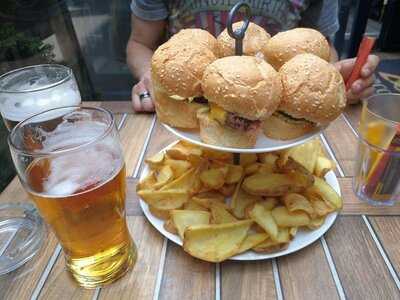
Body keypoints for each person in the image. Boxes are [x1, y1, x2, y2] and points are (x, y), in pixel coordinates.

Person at [127, 0, 379, 112]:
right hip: (182, 111)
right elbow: (138, 43)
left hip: (277, 108)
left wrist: (335, 78)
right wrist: (151, 76)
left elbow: (323, 46)